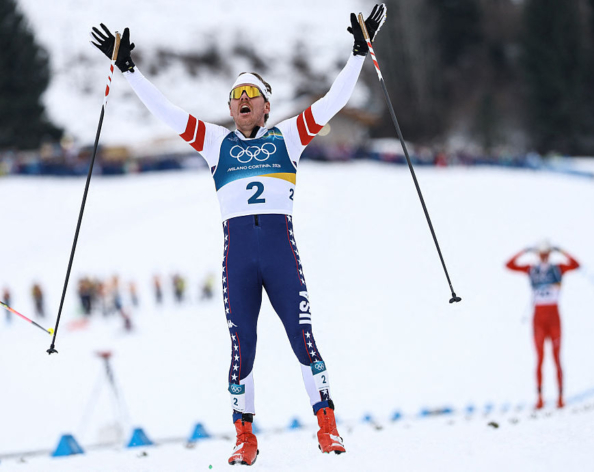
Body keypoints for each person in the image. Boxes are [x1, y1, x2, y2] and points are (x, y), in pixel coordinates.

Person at [91, 4, 386, 465]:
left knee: (302, 338)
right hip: (239, 259)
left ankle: (327, 425)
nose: (243, 99)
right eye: (236, 95)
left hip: (279, 253)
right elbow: (167, 113)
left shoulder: (287, 137)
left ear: (266, 105)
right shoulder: (215, 142)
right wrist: (129, 70)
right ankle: (244, 437)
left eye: (252, 93)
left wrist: (356, 54)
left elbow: (332, 103)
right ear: (230, 108)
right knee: (241, 346)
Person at [505, 240, 580, 409]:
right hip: (538, 319)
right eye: (541, 254)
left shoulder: (557, 269)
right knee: (539, 359)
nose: (544, 257)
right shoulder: (532, 269)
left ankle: (561, 397)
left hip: (554, 318)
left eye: (547, 254)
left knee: (556, 358)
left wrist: (561, 249)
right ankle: (539, 398)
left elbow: (576, 265)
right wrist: (524, 250)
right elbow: (509, 265)